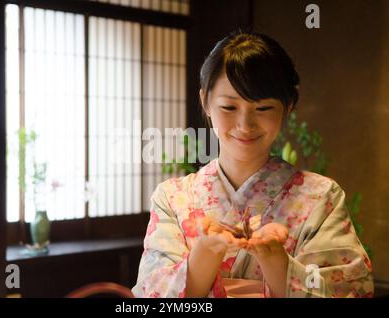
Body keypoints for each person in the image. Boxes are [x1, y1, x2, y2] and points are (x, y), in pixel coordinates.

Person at [131, 31, 374, 298]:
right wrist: (203, 255)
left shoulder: (321, 197)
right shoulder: (172, 197)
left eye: (263, 108)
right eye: (229, 107)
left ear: (288, 107)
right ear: (205, 102)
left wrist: (277, 262)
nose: (245, 125)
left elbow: (350, 291)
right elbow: (149, 295)